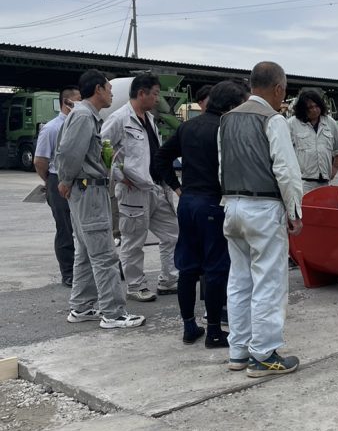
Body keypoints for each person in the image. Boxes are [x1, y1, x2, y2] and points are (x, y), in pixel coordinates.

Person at [218, 61, 303, 377]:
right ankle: (264, 354)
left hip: (232, 205)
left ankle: (238, 351)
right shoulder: (274, 120)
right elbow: (286, 171)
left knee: (239, 282)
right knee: (269, 282)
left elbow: (221, 166)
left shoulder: (226, 120)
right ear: (279, 88)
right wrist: (294, 211)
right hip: (264, 208)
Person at [155, 79, 248, 347]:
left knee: (187, 267)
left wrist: (177, 187)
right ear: (232, 104)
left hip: (188, 203)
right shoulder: (226, 129)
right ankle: (215, 331)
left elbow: (161, 157)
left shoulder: (187, 126)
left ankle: (188, 327)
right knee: (216, 268)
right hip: (213, 204)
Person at [55, 70, 145, 330]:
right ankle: (113, 313)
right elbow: (69, 152)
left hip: (87, 190)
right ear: (98, 90)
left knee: (85, 252)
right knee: (105, 255)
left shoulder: (85, 115)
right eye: (108, 88)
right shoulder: (84, 116)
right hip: (88, 190)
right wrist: (65, 180)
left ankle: (82, 306)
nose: (111, 93)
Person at [101, 73, 179, 303]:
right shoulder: (119, 119)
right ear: (141, 93)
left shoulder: (149, 119)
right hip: (133, 190)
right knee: (134, 240)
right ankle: (135, 285)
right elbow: (101, 149)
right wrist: (118, 175)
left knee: (172, 233)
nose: (157, 99)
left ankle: (169, 279)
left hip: (155, 187)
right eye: (155, 94)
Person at [33, 86, 81, 286]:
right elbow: (40, 161)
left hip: (78, 180)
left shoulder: (80, 124)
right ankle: (68, 272)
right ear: (67, 103)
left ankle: (83, 269)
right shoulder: (52, 128)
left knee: (82, 227)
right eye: (78, 100)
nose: (82, 103)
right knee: (65, 228)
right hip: (56, 178)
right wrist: (50, 182)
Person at [288, 88, 338, 195]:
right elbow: (284, 152)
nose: (314, 110)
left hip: (324, 183)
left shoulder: (330, 123)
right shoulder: (292, 124)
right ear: (302, 108)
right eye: (310, 107)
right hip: (303, 183)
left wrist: (334, 168)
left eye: (317, 106)